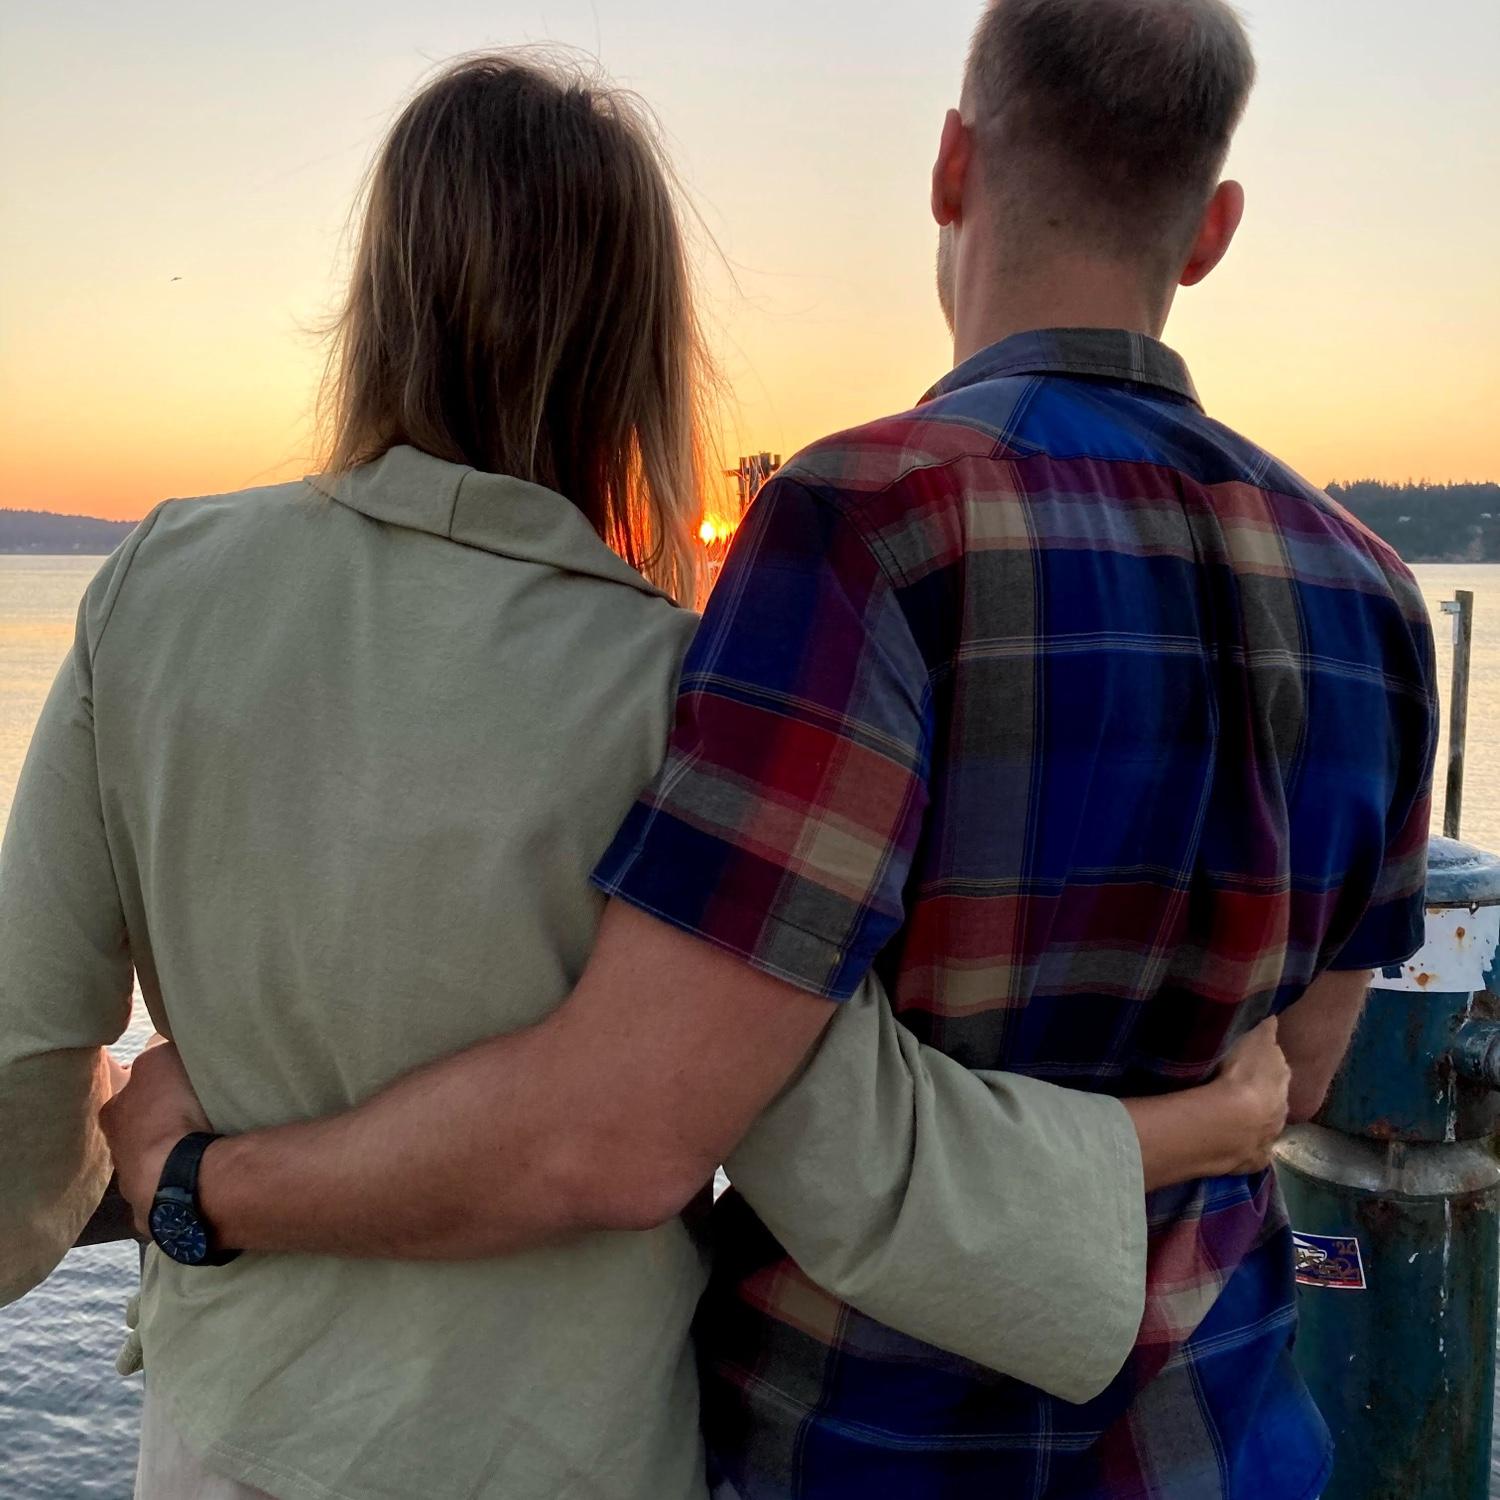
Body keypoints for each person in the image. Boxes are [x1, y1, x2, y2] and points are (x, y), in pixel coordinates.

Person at [102, 1, 1436, 1496]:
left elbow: (642, 1114)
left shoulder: (867, 527)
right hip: (1218, 1429)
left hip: (869, 1437)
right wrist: (1194, 1120)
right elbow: (1300, 1071)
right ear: (1213, 233)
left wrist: (205, 1182)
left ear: (951, 166)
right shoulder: (1375, 596)